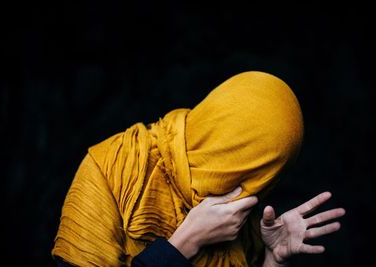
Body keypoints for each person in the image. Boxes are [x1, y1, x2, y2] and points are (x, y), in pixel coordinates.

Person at [52, 71, 345, 266]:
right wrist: (185, 242)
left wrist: (272, 259)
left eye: (261, 176)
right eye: (236, 160)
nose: (245, 188)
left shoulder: (245, 222)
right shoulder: (113, 169)